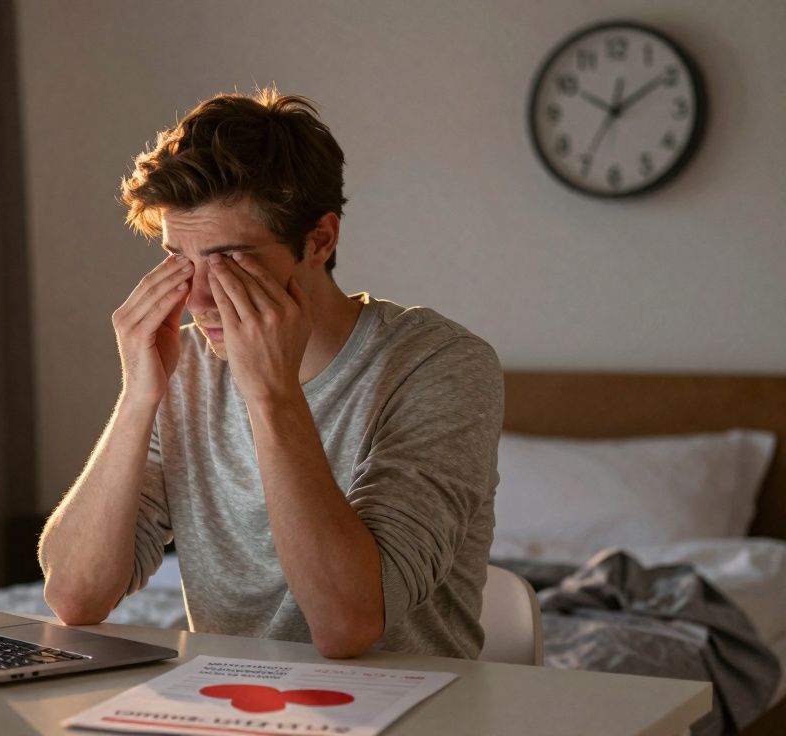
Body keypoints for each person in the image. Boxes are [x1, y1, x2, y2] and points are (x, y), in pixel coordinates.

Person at [37, 87, 503, 659]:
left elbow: (345, 625)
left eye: (230, 259)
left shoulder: (440, 364)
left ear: (319, 240)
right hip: (227, 706)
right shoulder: (184, 368)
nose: (198, 298)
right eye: (180, 259)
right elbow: (75, 598)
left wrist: (272, 393)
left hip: (405, 708)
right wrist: (138, 396)